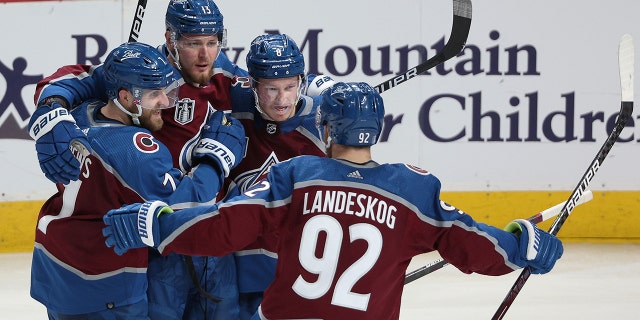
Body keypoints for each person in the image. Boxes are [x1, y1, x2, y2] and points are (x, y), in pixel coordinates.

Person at [100, 81, 565, 320]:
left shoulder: (296, 176)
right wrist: (523, 246)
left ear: (325, 128)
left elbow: (225, 225)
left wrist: (156, 223)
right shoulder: (413, 190)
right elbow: (470, 243)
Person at [29, 1, 252, 318]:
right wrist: (51, 106)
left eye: (212, 42)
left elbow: (284, 94)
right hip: (152, 237)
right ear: (171, 39)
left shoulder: (226, 78)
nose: (205, 55)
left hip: (196, 235)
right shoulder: (145, 74)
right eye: (192, 43)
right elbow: (77, 78)